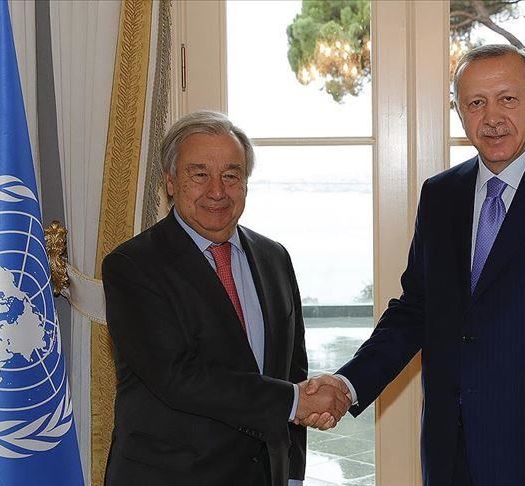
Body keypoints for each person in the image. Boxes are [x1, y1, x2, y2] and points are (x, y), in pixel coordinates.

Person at [308, 44, 525, 486]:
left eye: (507, 99)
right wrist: (347, 385)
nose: (492, 117)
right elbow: (414, 311)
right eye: (476, 103)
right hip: (451, 457)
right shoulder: (441, 195)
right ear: (460, 112)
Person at [102, 111, 350, 486]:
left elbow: (291, 370)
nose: (217, 191)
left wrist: (292, 473)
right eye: (199, 175)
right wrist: (295, 401)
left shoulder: (274, 257)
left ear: (245, 183)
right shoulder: (133, 266)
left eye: (231, 176)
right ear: (170, 181)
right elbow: (178, 377)